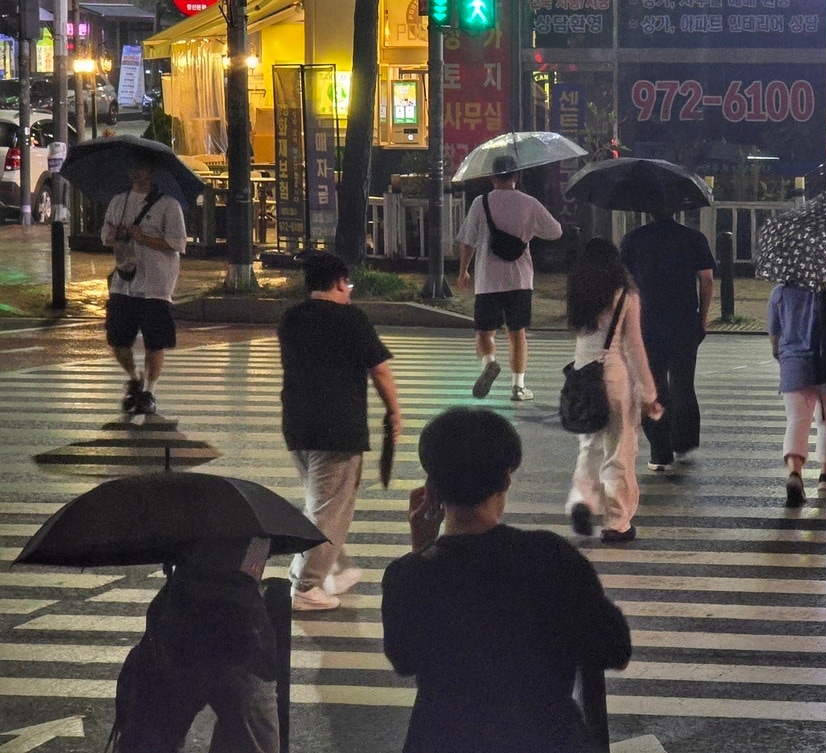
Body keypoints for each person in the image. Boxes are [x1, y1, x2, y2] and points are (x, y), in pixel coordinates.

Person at [381, 407, 632, 752]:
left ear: (431, 486)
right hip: (545, 738)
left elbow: (404, 659)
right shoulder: (550, 556)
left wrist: (422, 548)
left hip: (445, 739)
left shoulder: (409, 574)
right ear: (506, 478)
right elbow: (614, 649)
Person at [278, 251, 402, 611]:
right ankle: (306, 585)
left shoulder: (291, 318)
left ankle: (334, 567)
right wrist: (394, 412)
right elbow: (379, 370)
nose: (349, 290)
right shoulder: (351, 320)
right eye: (347, 283)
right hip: (338, 428)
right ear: (338, 282)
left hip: (298, 424)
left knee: (321, 505)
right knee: (329, 509)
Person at [111, 537, 279, 752]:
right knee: (253, 732)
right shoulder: (255, 522)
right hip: (239, 637)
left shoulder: (185, 513)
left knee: (150, 736)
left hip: (183, 628)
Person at [564, 238, 663, 543]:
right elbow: (634, 348)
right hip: (613, 377)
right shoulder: (625, 296)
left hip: (581, 377)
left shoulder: (579, 294)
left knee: (589, 446)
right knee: (619, 451)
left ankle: (582, 500)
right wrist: (649, 394)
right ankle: (617, 522)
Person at [455, 155, 564, 402]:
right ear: (516, 176)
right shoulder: (529, 203)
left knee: (484, 332)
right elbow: (555, 231)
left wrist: (464, 270)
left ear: (492, 177)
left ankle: (489, 362)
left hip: (487, 280)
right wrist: (528, 229)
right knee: (517, 333)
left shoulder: (480, 203)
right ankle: (518, 387)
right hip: (520, 279)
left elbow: (467, 240)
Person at [620, 209, 716, 472]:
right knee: (683, 383)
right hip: (685, 320)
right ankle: (684, 444)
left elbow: (624, 284)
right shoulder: (693, 238)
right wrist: (703, 317)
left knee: (654, 384)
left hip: (646, 322)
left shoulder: (632, 240)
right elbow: (706, 280)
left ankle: (660, 453)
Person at [101, 154, 187, 415]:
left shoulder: (169, 206)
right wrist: (114, 235)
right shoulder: (118, 201)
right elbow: (105, 235)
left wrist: (143, 237)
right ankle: (134, 378)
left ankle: (149, 390)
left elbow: (177, 244)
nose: (137, 173)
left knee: (155, 341)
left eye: (142, 168)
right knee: (117, 339)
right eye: (133, 167)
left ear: (152, 171)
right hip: (124, 279)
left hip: (156, 283)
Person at [769, 281, 826, 508]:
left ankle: (795, 473)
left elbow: (774, 334)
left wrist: (781, 356)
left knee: (797, 420)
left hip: (794, 362)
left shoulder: (779, 293)